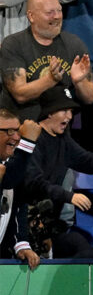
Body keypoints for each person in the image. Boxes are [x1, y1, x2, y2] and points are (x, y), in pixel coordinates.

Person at [24, 86, 93, 258]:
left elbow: (90, 162)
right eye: (64, 111)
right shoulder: (34, 139)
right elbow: (34, 182)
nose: (70, 117)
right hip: (27, 229)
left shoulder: (63, 139)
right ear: (49, 112)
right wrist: (69, 196)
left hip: (52, 228)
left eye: (71, 111)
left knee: (88, 253)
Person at [0, 0, 93, 122]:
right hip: (21, 131)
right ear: (31, 16)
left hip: (59, 134)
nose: (56, 16)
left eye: (59, 10)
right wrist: (51, 79)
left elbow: (89, 98)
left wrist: (79, 82)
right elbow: (20, 94)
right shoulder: (13, 44)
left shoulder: (74, 44)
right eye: (49, 12)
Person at [0, 110, 41, 270]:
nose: (16, 137)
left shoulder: (12, 166)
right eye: (9, 131)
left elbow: (17, 205)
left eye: (18, 131)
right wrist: (26, 145)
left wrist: (21, 244)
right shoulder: (12, 168)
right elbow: (7, 180)